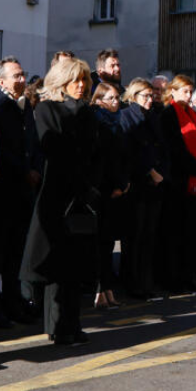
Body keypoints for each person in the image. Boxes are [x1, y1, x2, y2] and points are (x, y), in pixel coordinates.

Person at [20, 58, 103, 346]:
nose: (81, 86)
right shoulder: (46, 109)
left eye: (84, 81)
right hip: (58, 195)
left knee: (77, 264)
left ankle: (73, 323)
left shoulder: (87, 113)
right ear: (61, 81)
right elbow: (54, 148)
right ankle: (57, 326)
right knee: (57, 264)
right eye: (75, 80)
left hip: (82, 196)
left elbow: (93, 151)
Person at [0, 57, 38, 323]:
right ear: (1, 80)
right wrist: (23, 170)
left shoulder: (24, 106)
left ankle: (13, 301)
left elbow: (31, 142)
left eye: (22, 74)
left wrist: (34, 167)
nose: (21, 79)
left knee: (17, 251)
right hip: (3, 190)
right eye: (15, 76)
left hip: (22, 190)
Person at [158, 76, 196, 294]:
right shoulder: (169, 114)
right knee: (175, 233)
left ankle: (187, 276)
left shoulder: (192, 114)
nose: (188, 95)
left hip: (193, 180)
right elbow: (177, 149)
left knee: (191, 233)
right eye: (184, 91)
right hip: (177, 180)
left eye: (190, 91)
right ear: (173, 91)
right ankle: (173, 279)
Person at [118, 79, 166, 300]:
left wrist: (159, 171)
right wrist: (149, 171)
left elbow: (160, 147)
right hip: (137, 185)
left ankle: (146, 283)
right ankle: (133, 284)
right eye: (144, 95)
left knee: (149, 235)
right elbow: (130, 152)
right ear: (133, 96)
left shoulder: (153, 116)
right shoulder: (127, 116)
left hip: (154, 185)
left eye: (151, 95)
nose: (150, 99)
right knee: (134, 237)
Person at [89, 81, 129, 306]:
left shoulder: (117, 123)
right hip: (100, 189)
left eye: (117, 98)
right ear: (99, 100)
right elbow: (101, 159)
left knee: (107, 242)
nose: (116, 103)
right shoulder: (96, 122)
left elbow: (123, 157)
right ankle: (98, 289)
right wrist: (113, 183)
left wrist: (123, 183)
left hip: (115, 189)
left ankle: (108, 287)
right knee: (97, 243)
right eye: (111, 98)